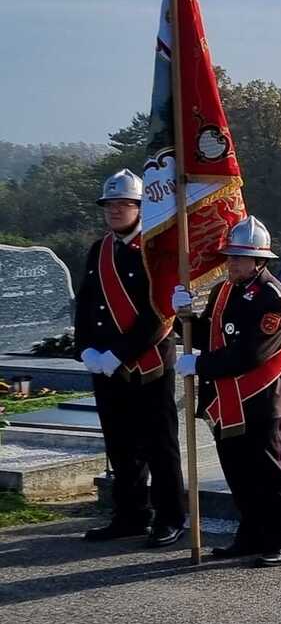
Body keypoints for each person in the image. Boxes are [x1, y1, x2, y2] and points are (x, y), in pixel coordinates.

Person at [172, 216, 281, 566]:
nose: (232, 263)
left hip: (259, 400)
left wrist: (201, 365)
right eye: (230, 256)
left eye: (240, 257)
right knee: (238, 474)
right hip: (224, 400)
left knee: (269, 474)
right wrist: (182, 317)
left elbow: (251, 354)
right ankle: (252, 535)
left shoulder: (275, 299)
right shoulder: (223, 291)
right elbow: (206, 336)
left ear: (259, 260)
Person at [75, 169, 185, 547]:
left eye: (123, 204)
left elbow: (160, 312)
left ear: (141, 207)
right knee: (120, 445)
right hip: (105, 364)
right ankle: (130, 515)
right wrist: (85, 348)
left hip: (148, 362)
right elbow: (86, 302)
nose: (115, 210)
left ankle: (170, 517)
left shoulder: (157, 250)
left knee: (159, 446)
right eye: (110, 204)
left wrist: (119, 353)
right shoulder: (99, 249)